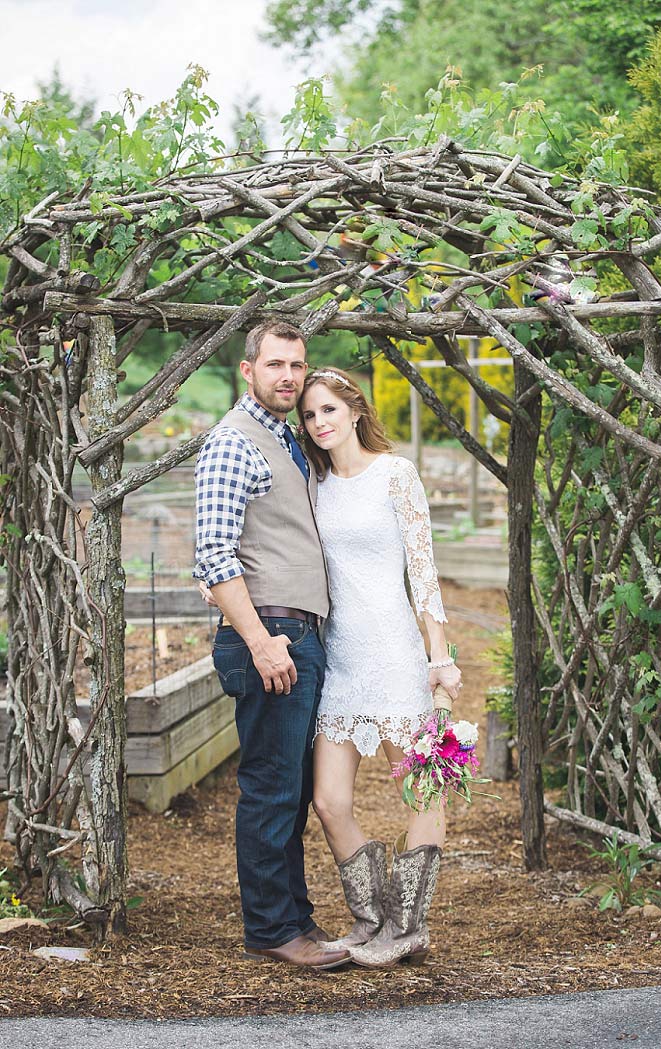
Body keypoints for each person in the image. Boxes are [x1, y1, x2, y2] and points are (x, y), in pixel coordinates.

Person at [193, 322, 349, 972]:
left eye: (298, 364)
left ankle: (294, 917)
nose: (289, 375)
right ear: (247, 369)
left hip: (297, 636)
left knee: (290, 788)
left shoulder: (286, 440)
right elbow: (212, 552)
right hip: (271, 636)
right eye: (277, 363)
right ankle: (271, 928)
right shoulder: (234, 441)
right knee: (268, 787)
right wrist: (260, 641)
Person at [298, 367, 462, 969]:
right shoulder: (314, 484)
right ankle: (373, 920)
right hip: (340, 658)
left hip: (394, 654)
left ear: (355, 410)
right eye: (310, 415)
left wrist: (438, 656)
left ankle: (410, 927)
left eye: (328, 411)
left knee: (417, 789)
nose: (319, 423)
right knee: (329, 798)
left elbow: (423, 570)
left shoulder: (396, 474)